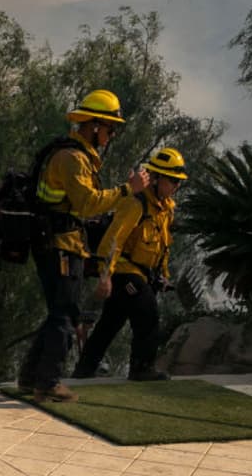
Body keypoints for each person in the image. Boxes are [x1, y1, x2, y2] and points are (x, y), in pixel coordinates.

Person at [17, 89, 150, 403]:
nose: (112, 134)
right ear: (93, 126)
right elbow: (88, 203)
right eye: (109, 127)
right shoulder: (72, 159)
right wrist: (126, 190)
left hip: (64, 243)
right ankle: (48, 382)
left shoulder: (77, 156)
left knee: (58, 313)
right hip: (60, 246)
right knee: (65, 314)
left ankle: (29, 377)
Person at [71, 147, 187, 382]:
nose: (176, 186)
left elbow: (162, 246)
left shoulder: (165, 210)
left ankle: (83, 371)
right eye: (172, 180)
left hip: (142, 274)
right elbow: (113, 240)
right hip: (124, 271)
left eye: (178, 182)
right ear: (155, 179)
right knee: (148, 313)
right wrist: (105, 276)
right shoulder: (136, 204)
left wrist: (162, 275)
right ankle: (141, 368)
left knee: (110, 323)